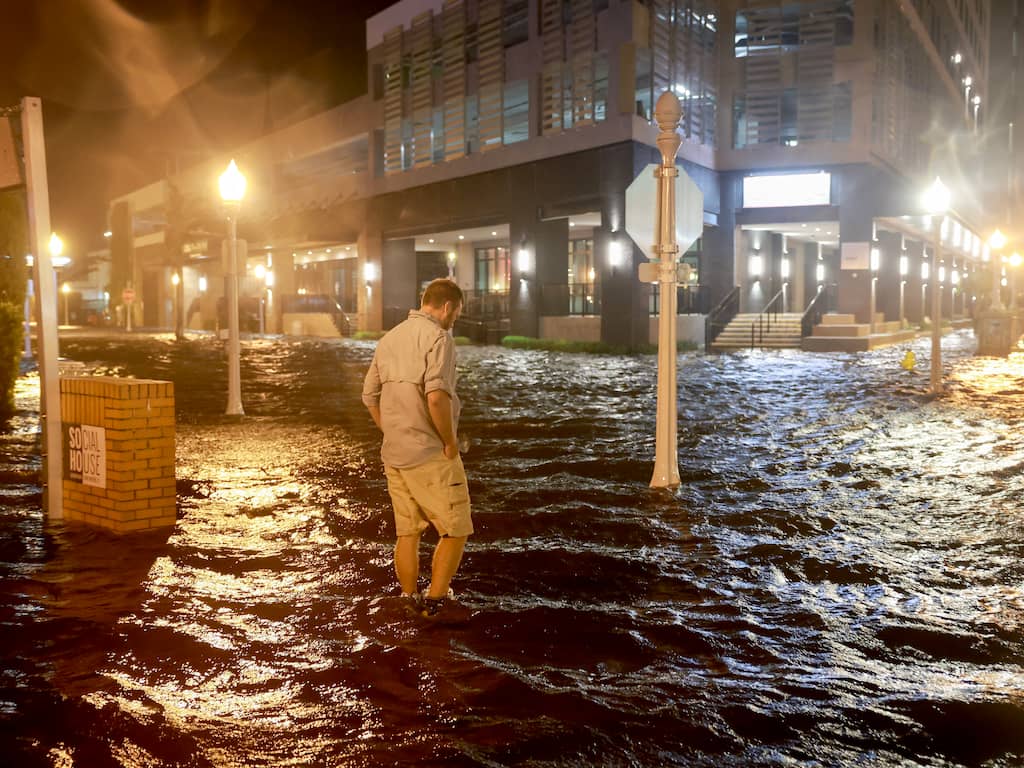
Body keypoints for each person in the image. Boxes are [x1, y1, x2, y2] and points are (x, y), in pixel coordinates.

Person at [362, 278, 472, 620]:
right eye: (457, 313)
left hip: (395, 453)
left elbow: (368, 396)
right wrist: (450, 442)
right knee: (455, 528)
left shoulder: (389, 338)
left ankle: (408, 598)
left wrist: (391, 430)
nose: (455, 320)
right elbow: (437, 396)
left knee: (407, 532)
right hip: (429, 453)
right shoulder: (439, 338)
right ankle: (436, 602)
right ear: (447, 307)